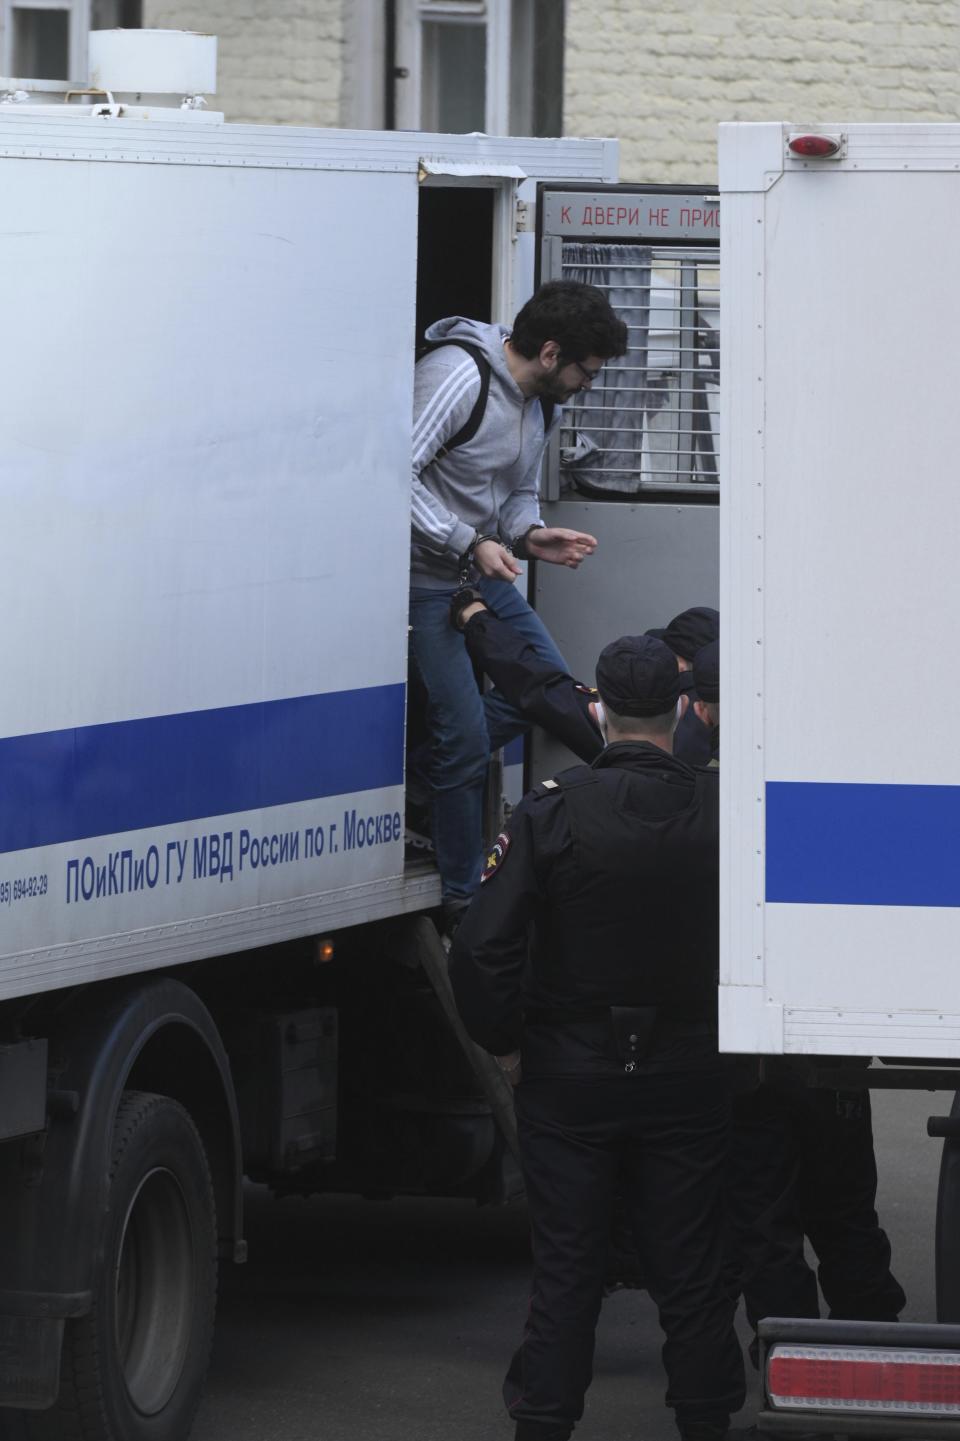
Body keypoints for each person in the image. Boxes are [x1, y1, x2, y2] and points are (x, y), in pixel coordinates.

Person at [449, 634, 744, 1441]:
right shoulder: (725, 812)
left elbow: (480, 949)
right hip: (690, 1071)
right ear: (681, 709)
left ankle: (544, 1422)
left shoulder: (550, 811)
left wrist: (504, 1043)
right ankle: (706, 1420)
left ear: (601, 711)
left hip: (569, 1075)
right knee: (693, 1267)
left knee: (569, 1268)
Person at [691, 638, 905, 1377]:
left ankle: (800, 1378)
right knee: (847, 1214)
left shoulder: (702, 799)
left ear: (707, 709)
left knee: (765, 1226)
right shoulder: (827, 782)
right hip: (828, 1048)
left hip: (749, 1054)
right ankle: (880, 1365)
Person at [409, 281, 628, 933]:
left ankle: (430, 777)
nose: (587, 384)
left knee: (549, 691)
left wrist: (532, 534)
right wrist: (466, 540)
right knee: (467, 736)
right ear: (552, 350)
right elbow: (392, 473)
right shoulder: (457, 375)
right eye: (585, 371)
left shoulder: (539, 403)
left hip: (480, 571)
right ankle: (462, 898)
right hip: (425, 580)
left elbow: (515, 491)